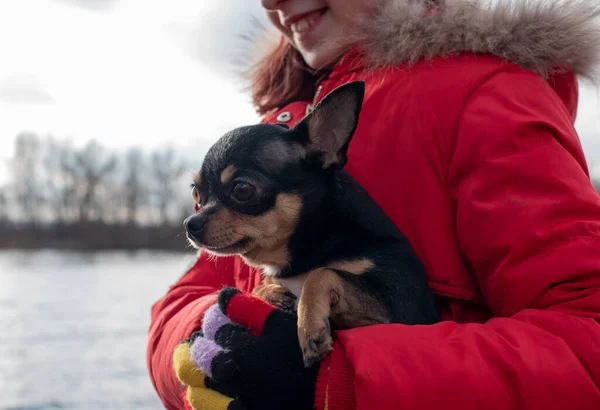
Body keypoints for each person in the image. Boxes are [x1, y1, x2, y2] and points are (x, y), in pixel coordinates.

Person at [147, 0, 600, 409]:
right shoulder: (274, 133)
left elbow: (587, 345)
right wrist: (215, 353)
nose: (271, 2)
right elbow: (178, 308)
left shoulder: (486, 95)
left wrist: (344, 384)